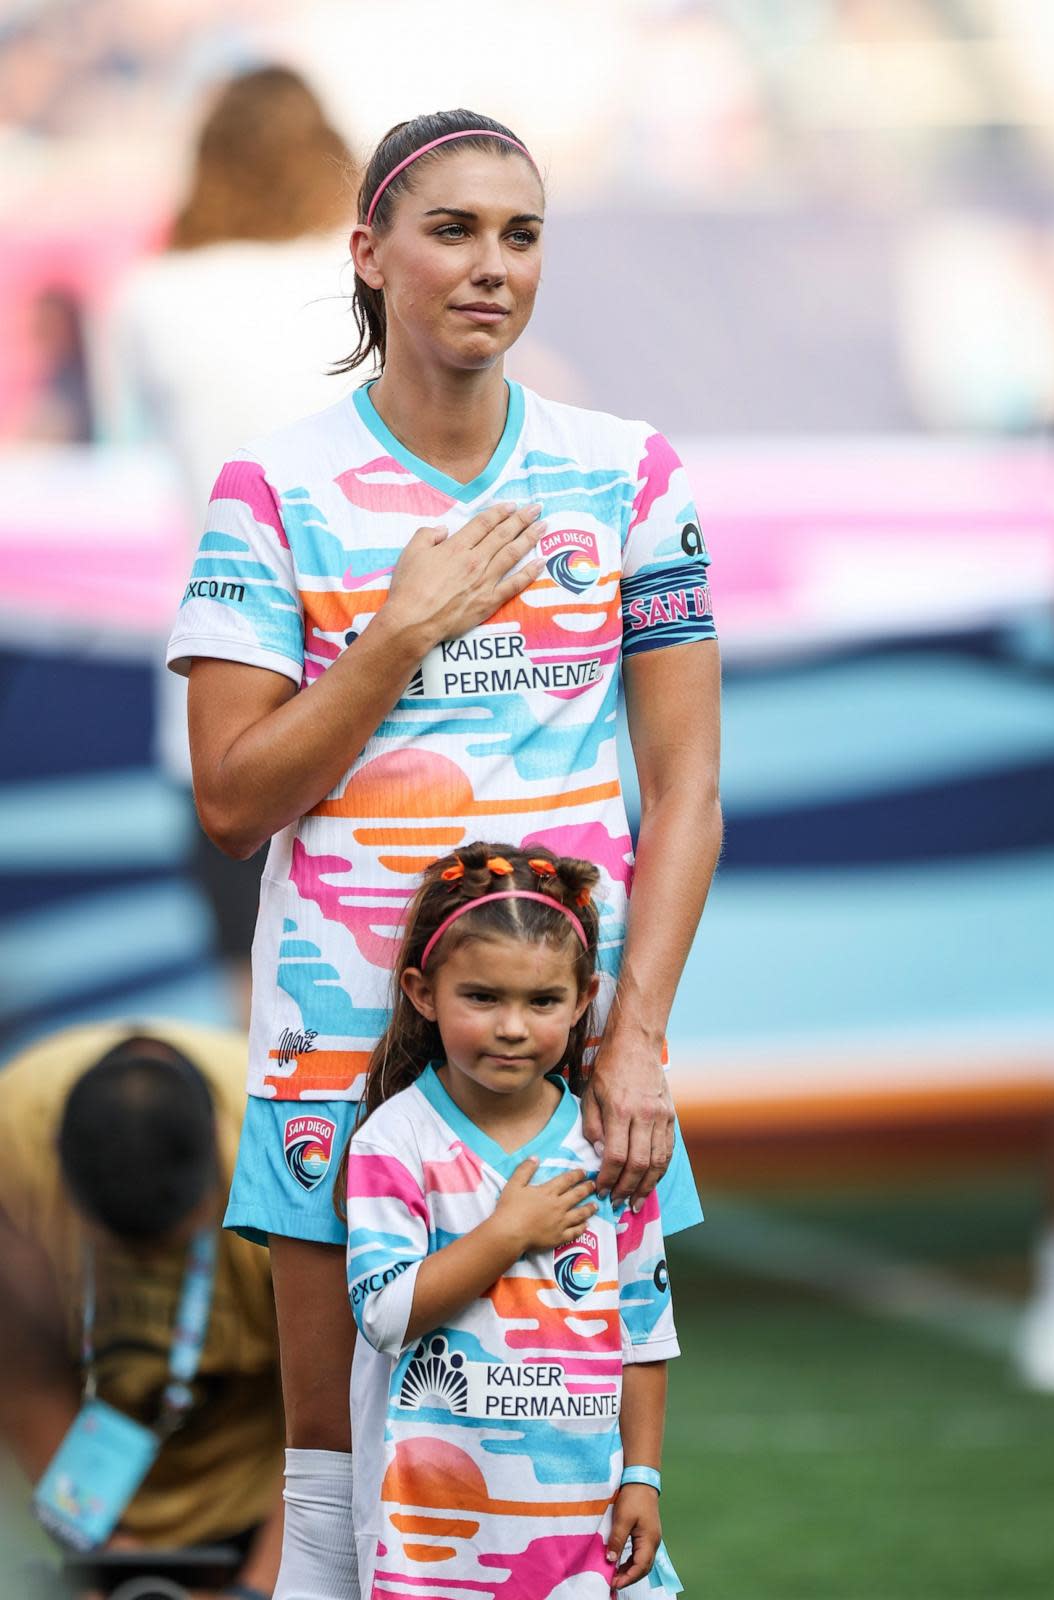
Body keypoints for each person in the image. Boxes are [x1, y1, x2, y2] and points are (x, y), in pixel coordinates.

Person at [167, 107, 721, 1600]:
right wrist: (400, 634)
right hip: (333, 1052)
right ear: (369, 253)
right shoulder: (270, 491)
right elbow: (230, 801)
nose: (492, 266)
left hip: (561, 1052)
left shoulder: (626, 476)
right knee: (337, 1489)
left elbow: (684, 792)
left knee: (578, 1478)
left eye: (521, 234)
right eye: (453, 229)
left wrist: (636, 1040)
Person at [96, 65, 362, 1018]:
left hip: (224, 669)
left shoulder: (147, 299)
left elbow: (127, 436)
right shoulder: (369, 277)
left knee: (249, 1001)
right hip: (377, 656)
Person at [345, 842, 681, 1596]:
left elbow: (644, 1328)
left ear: (583, 998)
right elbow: (384, 1315)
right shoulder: (394, 1143)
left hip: (582, 1531)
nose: (512, 1027)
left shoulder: (609, 1147)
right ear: (422, 992)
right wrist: (506, 1235)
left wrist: (643, 1476)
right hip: (434, 1534)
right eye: (482, 997)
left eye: (541, 1002)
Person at [0, 1022, 285, 1599]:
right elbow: (24, 1373)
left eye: (170, 1246)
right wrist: (98, 1554)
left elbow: (336, 1420)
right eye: (121, 1250)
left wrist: (255, 1590)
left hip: (266, 1503)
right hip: (87, 1506)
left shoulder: (288, 1160)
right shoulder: (13, 1145)